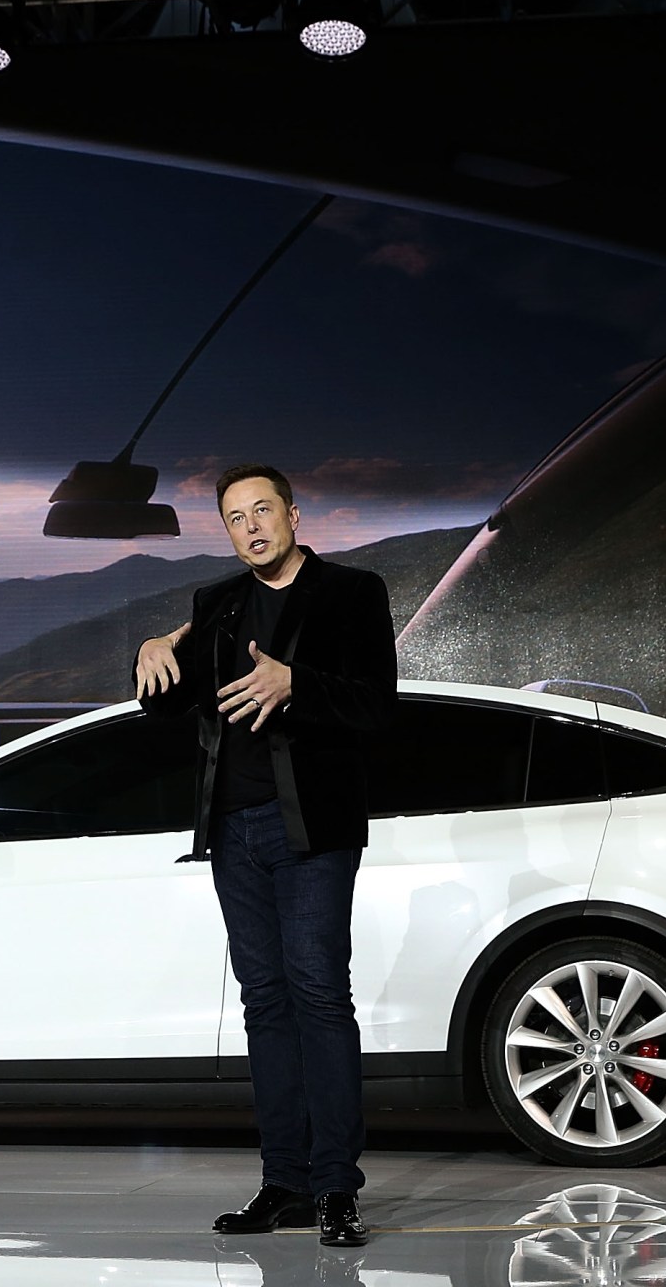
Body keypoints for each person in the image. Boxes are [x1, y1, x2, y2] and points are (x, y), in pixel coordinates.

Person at [135, 463, 396, 1249]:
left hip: (311, 827)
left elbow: (377, 707)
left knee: (319, 995)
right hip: (233, 830)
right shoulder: (216, 603)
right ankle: (284, 1183)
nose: (251, 527)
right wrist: (148, 651)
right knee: (264, 1005)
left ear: (293, 513)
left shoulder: (352, 592)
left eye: (263, 510)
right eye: (235, 517)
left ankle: (336, 1188)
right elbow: (170, 701)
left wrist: (296, 684)